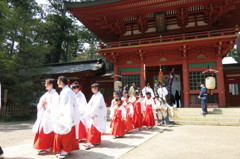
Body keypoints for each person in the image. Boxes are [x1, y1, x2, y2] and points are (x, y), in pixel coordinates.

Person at [53, 76, 80, 158]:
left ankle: (66, 150)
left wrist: (64, 114)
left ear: (61, 81)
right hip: (63, 114)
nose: (57, 83)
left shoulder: (68, 91)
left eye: (58, 81)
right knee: (62, 133)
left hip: (67, 115)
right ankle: (64, 149)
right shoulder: (64, 91)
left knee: (67, 134)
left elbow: (69, 105)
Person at [32, 78, 59, 155]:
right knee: (43, 130)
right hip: (43, 114)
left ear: (51, 85)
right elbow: (39, 103)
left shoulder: (55, 95)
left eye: (46, 83)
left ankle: (46, 147)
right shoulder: (46, 94)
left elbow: (56, 106)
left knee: (47, 130)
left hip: (49, 116)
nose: (45, 85)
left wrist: (47, 104)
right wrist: (41, 104)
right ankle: (46, 146)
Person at [84, 83, 107, 149]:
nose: (92, 89)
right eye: (92, 88)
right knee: (94, 128)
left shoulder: (99, 96)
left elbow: (96, 106)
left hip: (97, 114)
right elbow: (89, 104)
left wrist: (92, 113)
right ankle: (96, 141)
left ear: (97, 88)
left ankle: (90, 141)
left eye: (94, 88)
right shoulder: (94, 96)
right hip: (94, 113)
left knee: (94, 128)